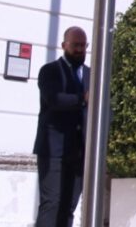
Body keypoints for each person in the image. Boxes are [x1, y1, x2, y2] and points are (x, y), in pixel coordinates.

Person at [33, 26, 90, 227]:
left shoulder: (91, 75)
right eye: (75, 45)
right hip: (54, 150)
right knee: (52, 203)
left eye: (83, 46)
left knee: (69, 205)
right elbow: (54, 99)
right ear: (64, 45)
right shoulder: (50, 71)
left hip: (80, 152)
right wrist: (82, 99)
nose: (79, 50)